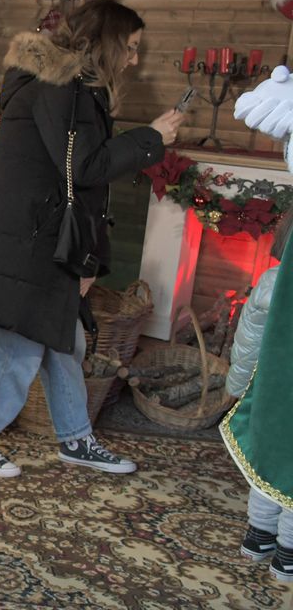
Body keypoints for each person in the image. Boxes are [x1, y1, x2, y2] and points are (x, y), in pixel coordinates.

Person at [0, 0, 183, 477]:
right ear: (108, 42)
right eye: (131, 48)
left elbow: (76, 176)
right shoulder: (61, 87)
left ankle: (76, 438)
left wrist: (89, 258)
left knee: (65, 343)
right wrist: (151, 137)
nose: (134, 60)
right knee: (17, 348)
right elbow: (85, 168)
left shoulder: (68, 86)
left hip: (40, 235)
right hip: (30, 240)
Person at [222, 64, 293, 583]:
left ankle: (258, 537)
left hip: (272, 395)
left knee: (267, 462)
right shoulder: (277, 289)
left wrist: (235, 381)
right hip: (279, 393)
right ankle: (287, 552)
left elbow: (248, 338)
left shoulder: (269, 284)